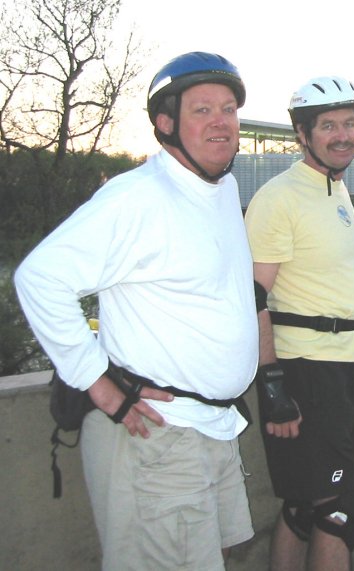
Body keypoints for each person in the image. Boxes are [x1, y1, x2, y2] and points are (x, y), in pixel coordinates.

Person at [14, 52, 258, 570]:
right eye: (202, 110)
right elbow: (40, 279)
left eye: (230, 109)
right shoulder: (139, 198)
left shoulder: (222, 188)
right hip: (159, 436)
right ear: (165, 123)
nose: (222, 121)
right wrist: (98, 382)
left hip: (212, 429)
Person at [244, 75, 354, 571]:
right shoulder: (281, 196)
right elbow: (252, 296)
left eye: (350, 123)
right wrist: (272, 385)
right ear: (302, 134)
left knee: (301, 507)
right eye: (328, 125)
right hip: (307, 371)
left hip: (343, 362)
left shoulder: (334, 188)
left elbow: (317, 275)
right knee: (339, 510)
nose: (343, 134)